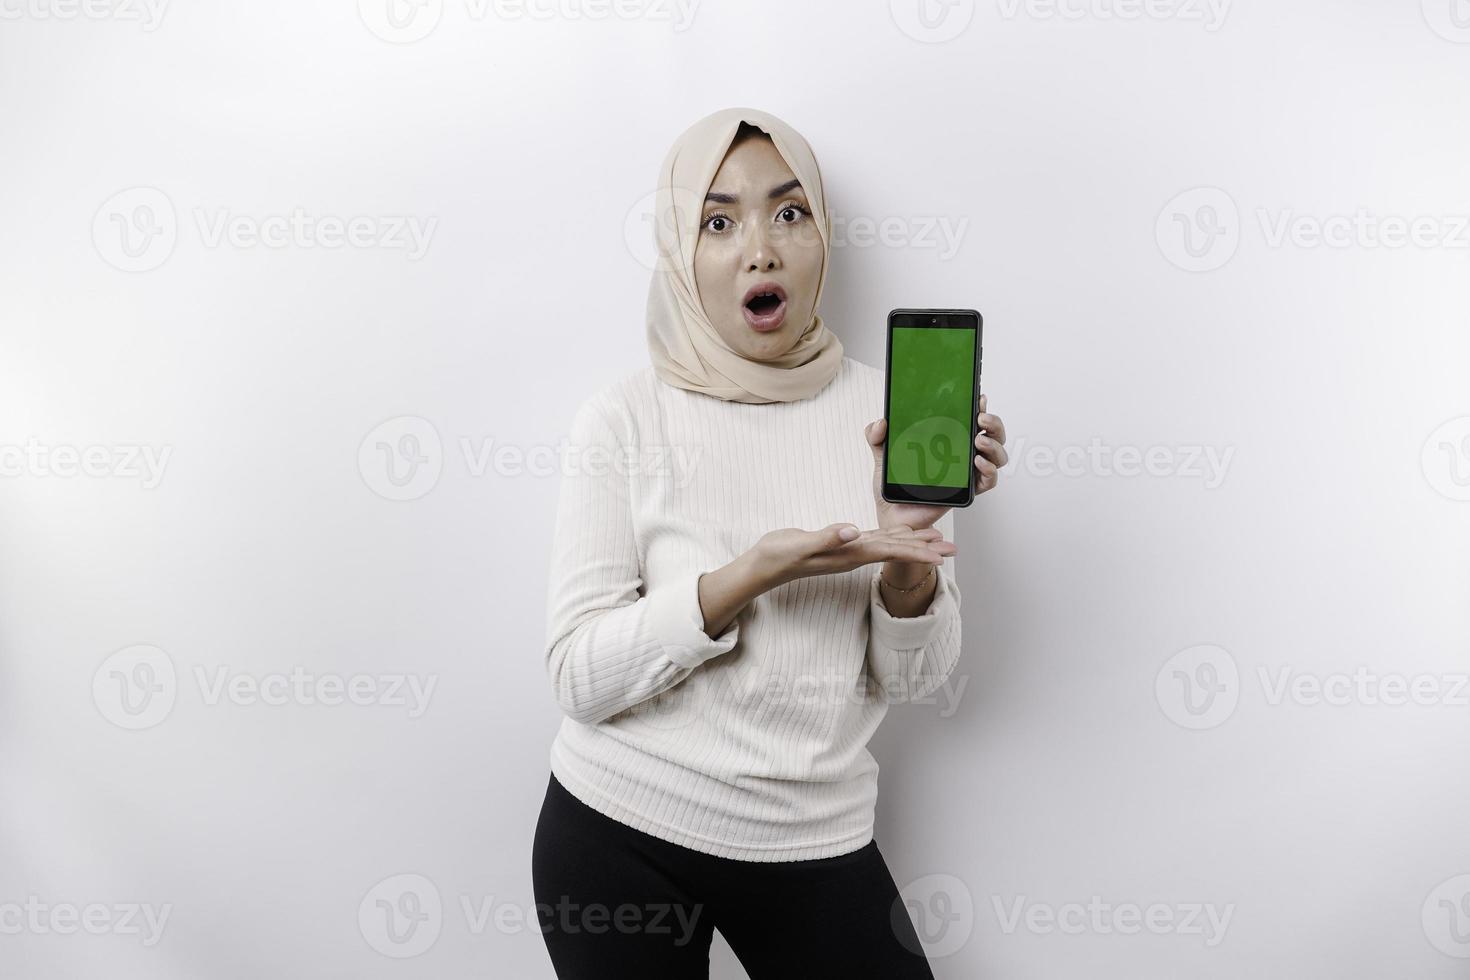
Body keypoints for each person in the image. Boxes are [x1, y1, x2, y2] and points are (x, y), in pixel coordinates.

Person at [531, 106, 1008, 978]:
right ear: (682, 252)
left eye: (790, 213)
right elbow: (576, 676)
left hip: (813, 837)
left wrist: (907, 555)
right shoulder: (623, 418)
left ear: (823, 236)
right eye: (720, 221)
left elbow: (916, 678)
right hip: (622, 831)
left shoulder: (888, 414)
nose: (762, 248)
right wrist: (739, 581)